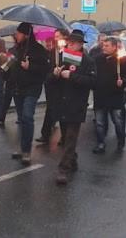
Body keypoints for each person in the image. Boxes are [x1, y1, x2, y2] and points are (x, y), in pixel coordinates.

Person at [48, 30, 94, 184]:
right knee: (66, 134)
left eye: (73, 43)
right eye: (69, 42)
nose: (70, 45)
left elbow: (92, 82)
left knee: (70, 137)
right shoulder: (61, 57)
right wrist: (55, 74)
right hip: (62, 103)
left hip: (77, 104)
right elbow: (49, 80)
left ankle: (63, 169)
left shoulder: (88, 61)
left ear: (80, 44)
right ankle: (72, 159)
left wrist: (72, 76)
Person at [11, 22, 49, 165]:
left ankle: (26, 150)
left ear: (26, 34)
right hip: (17, 88)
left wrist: (30, 66)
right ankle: (21, 147)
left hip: (32, 88)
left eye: (19, 33)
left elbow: (45, 68)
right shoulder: (15, 49)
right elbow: (8, 65)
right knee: (21, 118)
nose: (16, 35)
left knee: (27, 116)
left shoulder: (39, 50)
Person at [92, 37, 126, 154]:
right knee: (100, 122)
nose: (103, 47)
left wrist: (123, 81)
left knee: (118, 121)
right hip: (100, 95)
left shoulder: (123, 59)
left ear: (114, 47)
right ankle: (100, 143)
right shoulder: (97, 59)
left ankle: (121, 140)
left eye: (107, 46)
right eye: (103, 45)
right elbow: (92, 73)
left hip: (115, 96)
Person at [37, 28, 69, 144]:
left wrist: (63, 71)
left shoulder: (70, 52)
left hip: (64, 86)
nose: (56, 39)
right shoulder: (52, 52)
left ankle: (65, 136)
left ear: (65, 37)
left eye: (58, 36)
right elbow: (47, 70)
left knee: (63, 112)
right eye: (55, 36)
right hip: (52, 86)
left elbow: (73, 68)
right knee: (50, 109)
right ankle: (45, 134)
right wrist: (53, 73)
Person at [0, 40, 17, 127]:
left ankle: (20, 117)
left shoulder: (24, 51)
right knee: (6, 101)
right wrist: (4, 75)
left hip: (18, 80)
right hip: (10, 80)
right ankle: (1, 118)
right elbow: (6, 67)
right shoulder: (11, 50)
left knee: (16, 101)